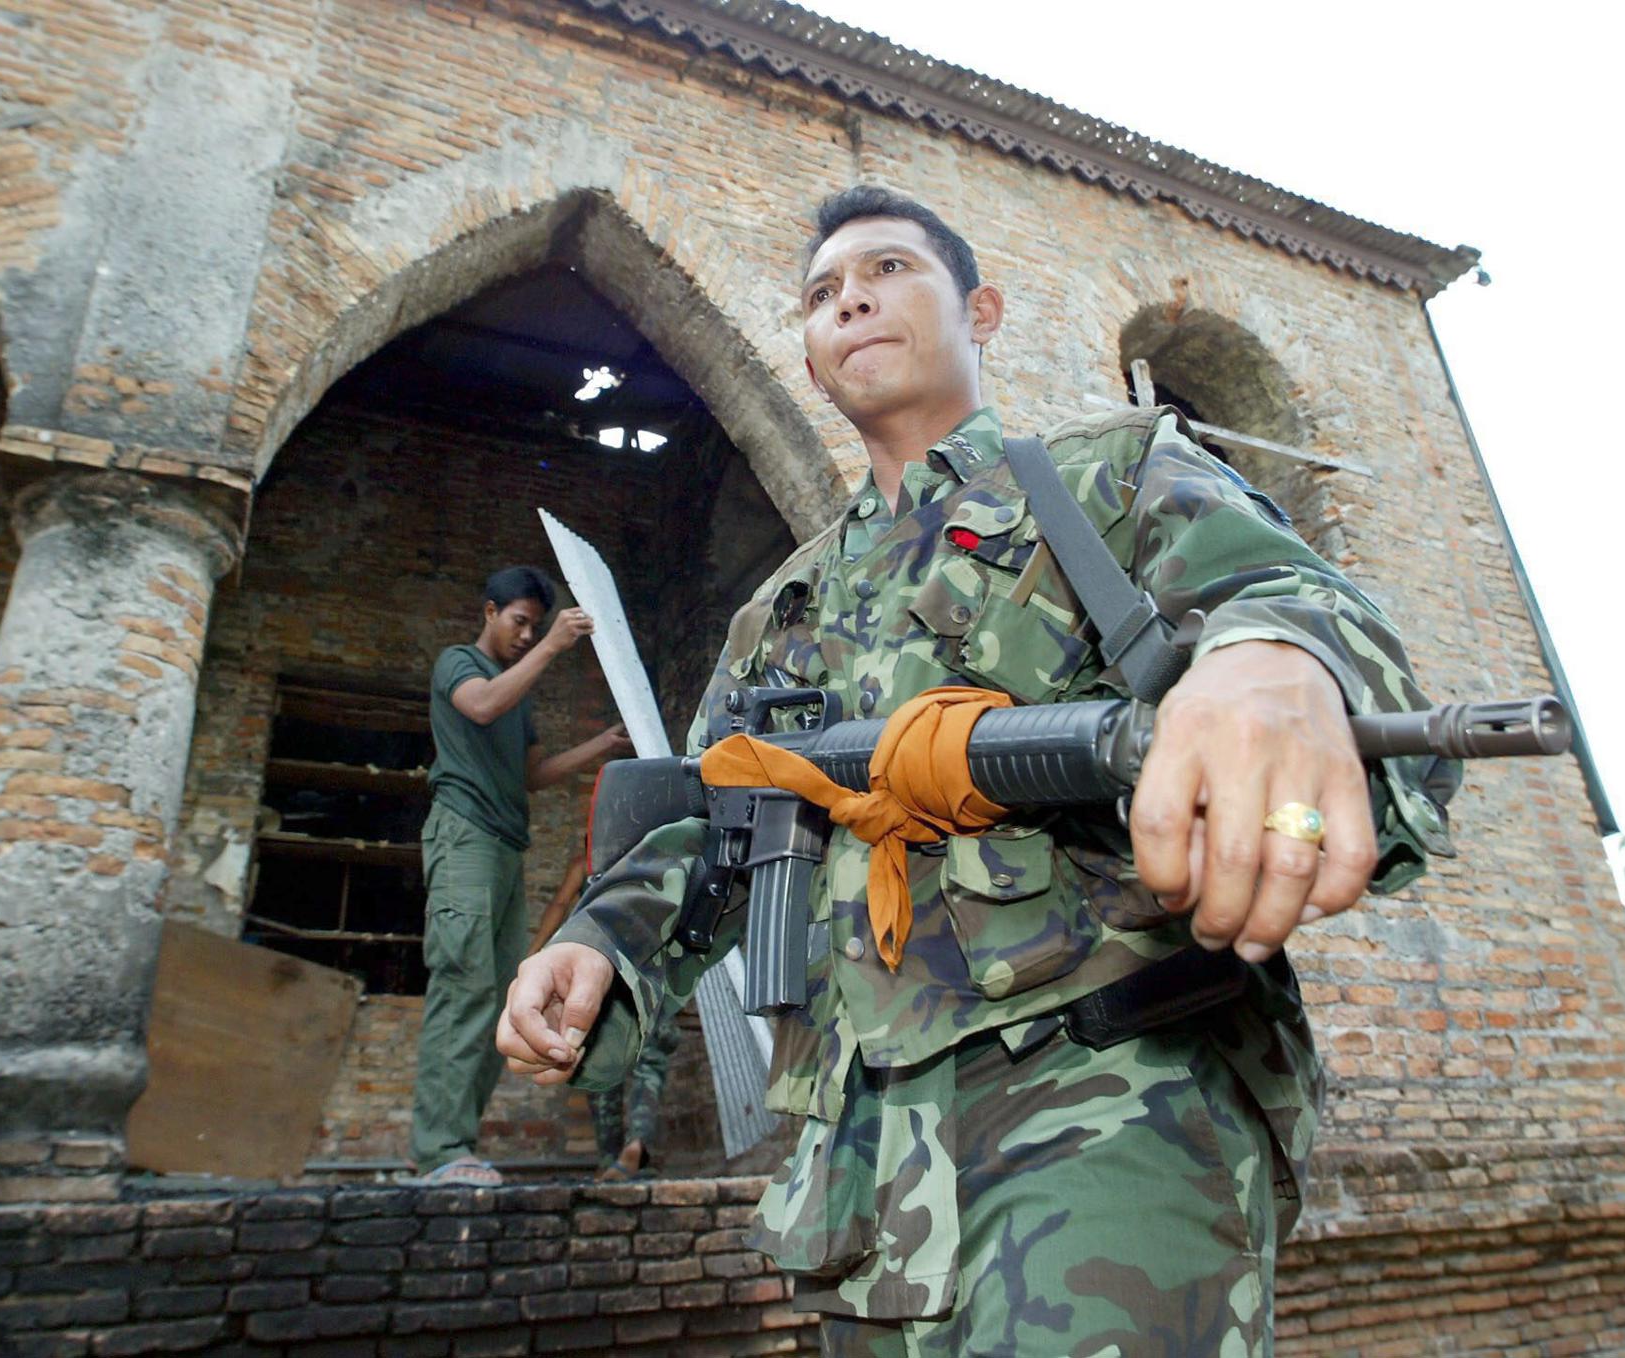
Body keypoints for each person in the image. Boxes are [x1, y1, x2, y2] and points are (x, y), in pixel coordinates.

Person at [498, 185, 1454, 1352]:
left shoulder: (1109, 481)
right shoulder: (777, 615)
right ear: (808, 359)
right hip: (861, 1157)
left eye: (889, 269)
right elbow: (715, 829)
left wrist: (1269, 664)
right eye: (821, 295)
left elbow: (1301, 607)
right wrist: (598, 946)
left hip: (1107, 1093)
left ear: (981, 310)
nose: (851, 298)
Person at [409, 564, 632, 1186]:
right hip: (464, 837)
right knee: (463, 988)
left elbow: (534, 774)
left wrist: (602, 745)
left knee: (497, 994)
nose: (528, 636)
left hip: (505, 845)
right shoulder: (461, 665)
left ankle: (454, 1147)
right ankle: (439, 1150)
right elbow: (479, 707)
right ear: (489, 612)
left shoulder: (517, 695)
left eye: (537, 628)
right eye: (520, 622)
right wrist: (558, 644)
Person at [529, 848, 686, 1181]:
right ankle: (637, 1146)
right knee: (650, 1064)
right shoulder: (650, 855)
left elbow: (559, 905)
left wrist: (535, 954)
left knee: (599, 1065)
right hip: (647, 976)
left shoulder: (585, 861)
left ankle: (608, 1156)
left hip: (595, 978)